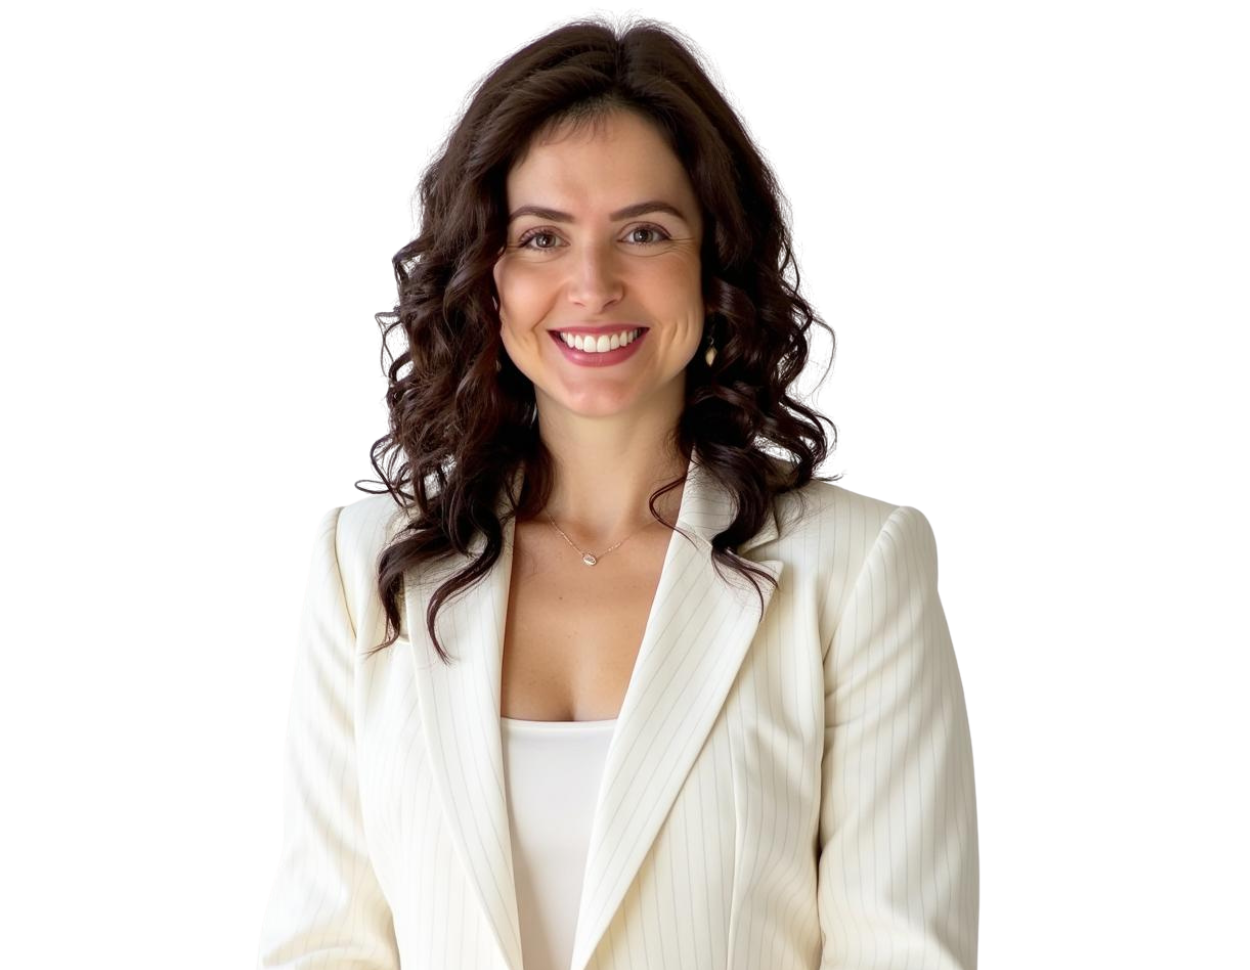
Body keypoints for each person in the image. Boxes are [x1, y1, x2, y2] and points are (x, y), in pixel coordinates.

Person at [256, 12, 979, 970]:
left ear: (713, 266)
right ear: (488, 278)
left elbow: (900, 954)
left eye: (643, 231)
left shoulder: (857, 568)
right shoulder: (363, 566)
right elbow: (325, 946)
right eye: (543, 238)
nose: (591, 284)